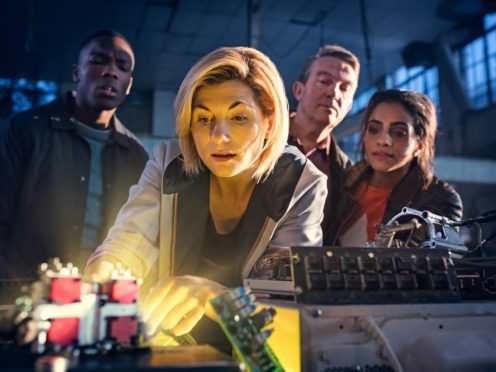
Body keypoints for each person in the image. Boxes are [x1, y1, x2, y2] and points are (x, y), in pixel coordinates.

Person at [85, 46, 327, 350]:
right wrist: (104, 274)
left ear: (269, 119)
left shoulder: (301, 182)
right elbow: (128, 242)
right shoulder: (169, 161)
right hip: (169, 347)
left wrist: (216, 296)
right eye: (203, 119)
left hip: (254, 354)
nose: (218, 135)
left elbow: (283, 305)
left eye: (238, 117)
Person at [0, 30, 148, 291]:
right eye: (98, 60)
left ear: (128, 85)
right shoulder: (24, 130)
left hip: (97, 302)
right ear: (76, 72)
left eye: (122, 66)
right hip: (22, 296)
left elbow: (139, 237)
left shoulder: (136, 154)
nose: (110, 71)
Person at [327, 89, 463, 246]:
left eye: (399, 133)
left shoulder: (440, 200)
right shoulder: (342, 182)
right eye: (374, 129)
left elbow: (432, 265)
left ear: (419, 145)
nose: (383, 140)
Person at [289, 44, 360, 244]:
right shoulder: (259, 139)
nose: (334, 93)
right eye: (324, 81)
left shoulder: (347, 174)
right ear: (298, 90)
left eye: (345, 88)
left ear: (350, 106)